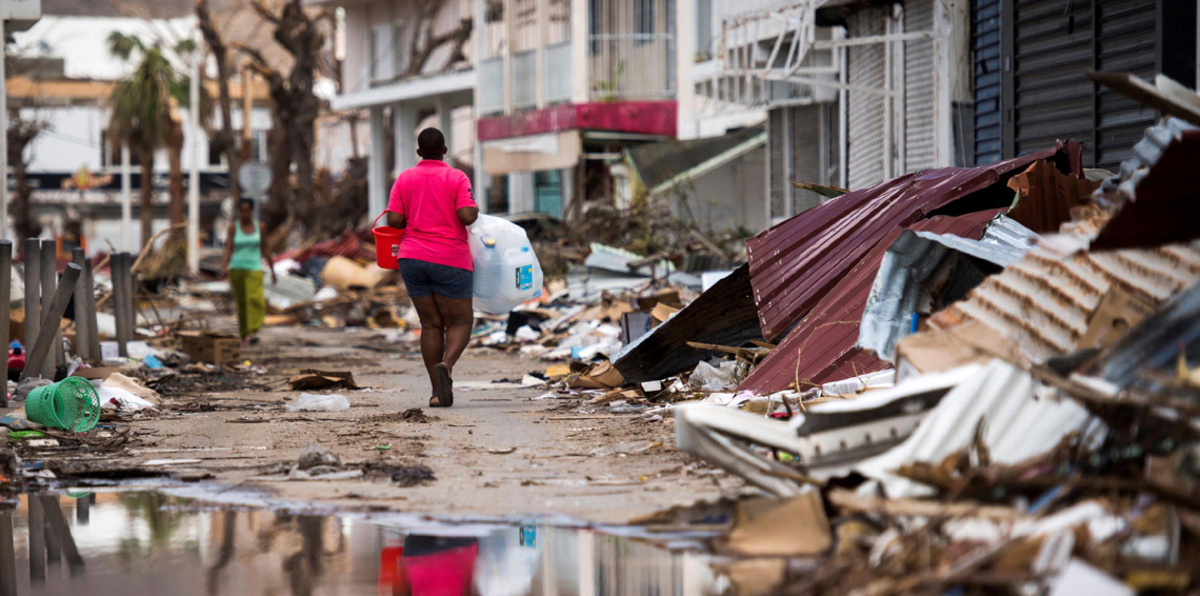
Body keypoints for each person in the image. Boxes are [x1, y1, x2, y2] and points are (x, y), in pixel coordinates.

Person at [387, 128, 479, 408]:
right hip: (449, 257)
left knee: (430, 324)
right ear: (444, 151)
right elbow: (467, 216)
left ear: (419, 152)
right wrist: (473, 208)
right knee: (460, 321)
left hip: (412, 258)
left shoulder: (405, 178)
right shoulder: (456, 177)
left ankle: (437, 393)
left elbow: (394, 220)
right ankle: (447, 366)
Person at [220, 198, 277, 343]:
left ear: (252, 211)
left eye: (247, 210)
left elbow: (266, 248)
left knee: (255, 299)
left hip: (254, 268)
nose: (245, 213)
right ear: (239, 211)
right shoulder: (233, 228)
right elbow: (228, 248)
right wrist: (224, 266)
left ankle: (253, 330)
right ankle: (244, 333)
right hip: (237, 268)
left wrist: (272, 270)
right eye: (242, 211)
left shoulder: (260, 227)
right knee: (242, 302)